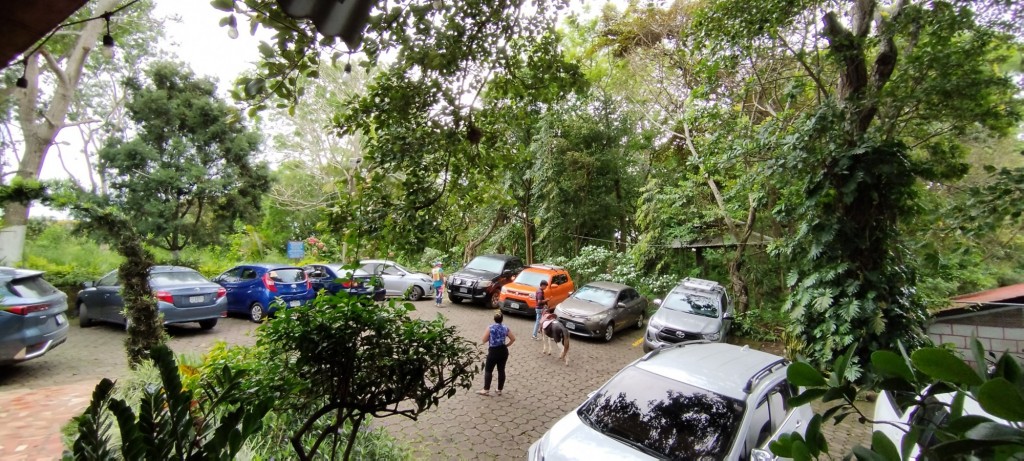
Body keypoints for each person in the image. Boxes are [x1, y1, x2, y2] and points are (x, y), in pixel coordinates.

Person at [478, 311, 515, 396]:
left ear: (494, 319)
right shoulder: (505, 328)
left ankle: (486, 389)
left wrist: (491, 338)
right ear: (502, 319)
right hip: (503, 351)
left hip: (493, 351)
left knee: (488, 370)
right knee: (501, 370)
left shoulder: (490, 327)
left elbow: (483, 340)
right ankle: (499, 389)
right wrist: (507, 345)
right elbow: (513, 339)